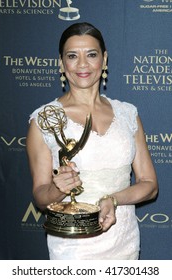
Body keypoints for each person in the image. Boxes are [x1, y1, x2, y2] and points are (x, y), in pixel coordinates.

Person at [26, 22, 158, 260]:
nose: (83, 64)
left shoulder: (128, 114)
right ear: (61, 63)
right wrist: (57, 189)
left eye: (92, 55)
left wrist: (114, 199)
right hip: (73, 244)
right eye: (72, 56)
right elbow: (40, 195)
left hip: (124, 239)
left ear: (104, 60)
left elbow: (149, 184)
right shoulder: (43, 119)